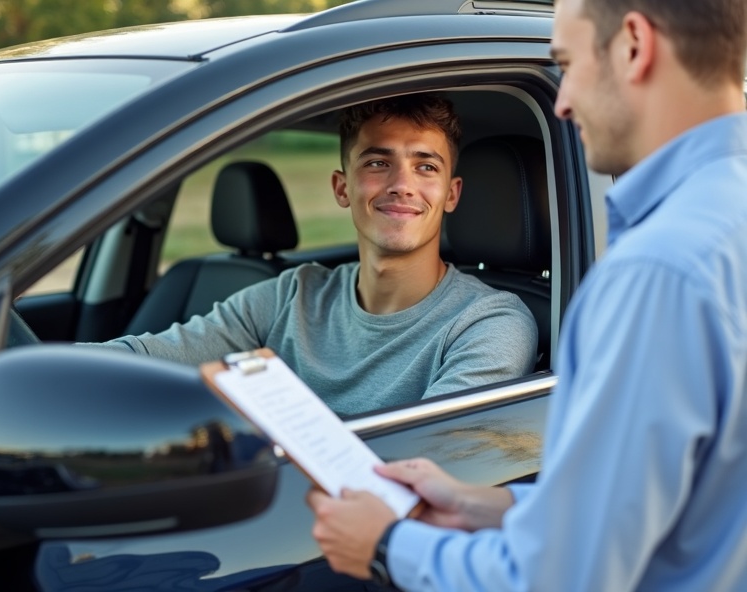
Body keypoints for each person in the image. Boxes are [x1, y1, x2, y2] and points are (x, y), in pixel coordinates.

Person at [307, 0, 747, 589]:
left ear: (634, 46)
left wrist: (386, 545)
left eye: (568, 62)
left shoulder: (657, 271)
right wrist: (482, 505)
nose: (562, 102)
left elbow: (564, 578)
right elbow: (683, 505)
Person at [95, 94, 537, 416]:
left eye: (426, 166)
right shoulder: (294, 294)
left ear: (451, 194)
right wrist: (37, 370)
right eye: (377, 163)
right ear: (342, 187)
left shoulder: (490, 324)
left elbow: (428, 463)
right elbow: (147, 356)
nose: (402, 184)